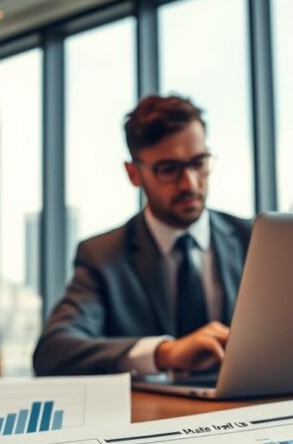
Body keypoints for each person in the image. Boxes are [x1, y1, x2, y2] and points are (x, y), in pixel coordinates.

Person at [33, 94, 253, 376]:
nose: (190, 183)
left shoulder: (254, 239)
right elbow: (53, 352)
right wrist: (164, 353)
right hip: (152, 416)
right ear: (133, 173)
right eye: (168, 169)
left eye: (199, 162)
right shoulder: (102, 256)